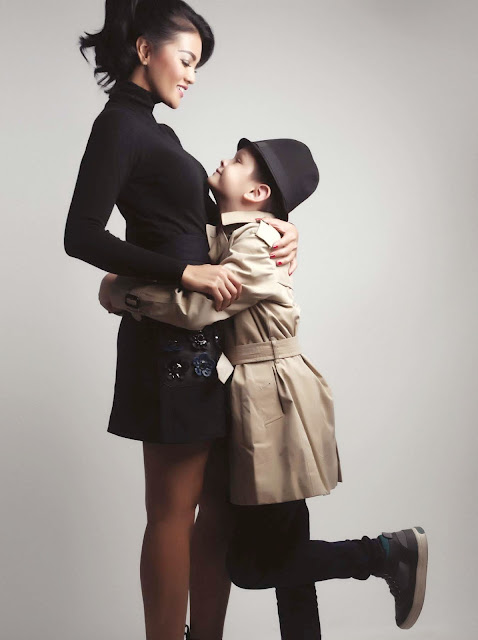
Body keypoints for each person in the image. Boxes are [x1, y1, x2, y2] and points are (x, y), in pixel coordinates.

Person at [102, 137, 429, 637]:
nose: (223, 160)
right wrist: (287, 226)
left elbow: (200, 307)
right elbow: (196, 248)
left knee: (257, 564)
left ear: (257, 193)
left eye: (238, 161)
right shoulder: (241, 234)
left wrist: (123, 294)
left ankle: (386, 553)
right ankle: (385, 556)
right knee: (286, 555)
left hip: (274, 400)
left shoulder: (255, 242)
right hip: (262, 394)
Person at [63, 2, 301, 639]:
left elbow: (210, 226)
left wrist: (280, 227)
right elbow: (81, 234)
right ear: (145, 51)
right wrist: (183, 274)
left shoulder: (157, 133)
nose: (192, 75)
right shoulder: (119, 125)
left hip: (210, 348)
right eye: (187, 59)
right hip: (169, 349)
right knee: (173, 512)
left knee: (218, 509)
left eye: (198, 64)